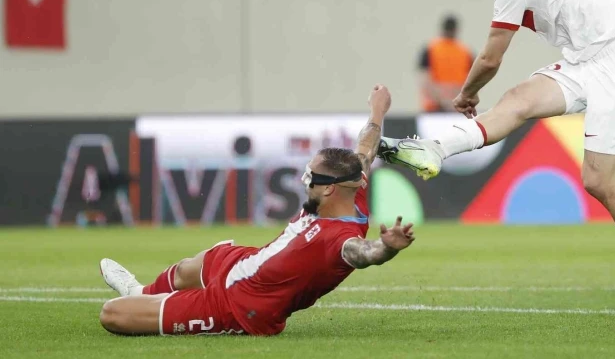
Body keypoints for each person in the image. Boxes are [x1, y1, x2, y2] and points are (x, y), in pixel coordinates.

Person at [377, 0, 615, 321]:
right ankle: (434, 148)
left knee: (598, 180)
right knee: (518, 100)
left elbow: (490, 58)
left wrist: (467, 93)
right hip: (588, 60)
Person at [98, 85, 416, 336]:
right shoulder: (353, 184)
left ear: (328, 188)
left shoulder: (339, 239)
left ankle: (145, 301)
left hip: (241, 306)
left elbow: (364, 253)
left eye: (310, 178)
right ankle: (139, 291)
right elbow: (366, 148)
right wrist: (378, 109)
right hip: (247, 262)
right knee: (185, 270)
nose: (305, 182)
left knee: (112, 314)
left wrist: (386, 247)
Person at [419, 15, 474, 113]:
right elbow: (473, 81)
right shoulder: (466, 52)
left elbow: (424, 80)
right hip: (458, 107)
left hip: (434, 109)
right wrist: (456, 98)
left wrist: (442, 100)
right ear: (456, 30)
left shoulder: (430, 49)